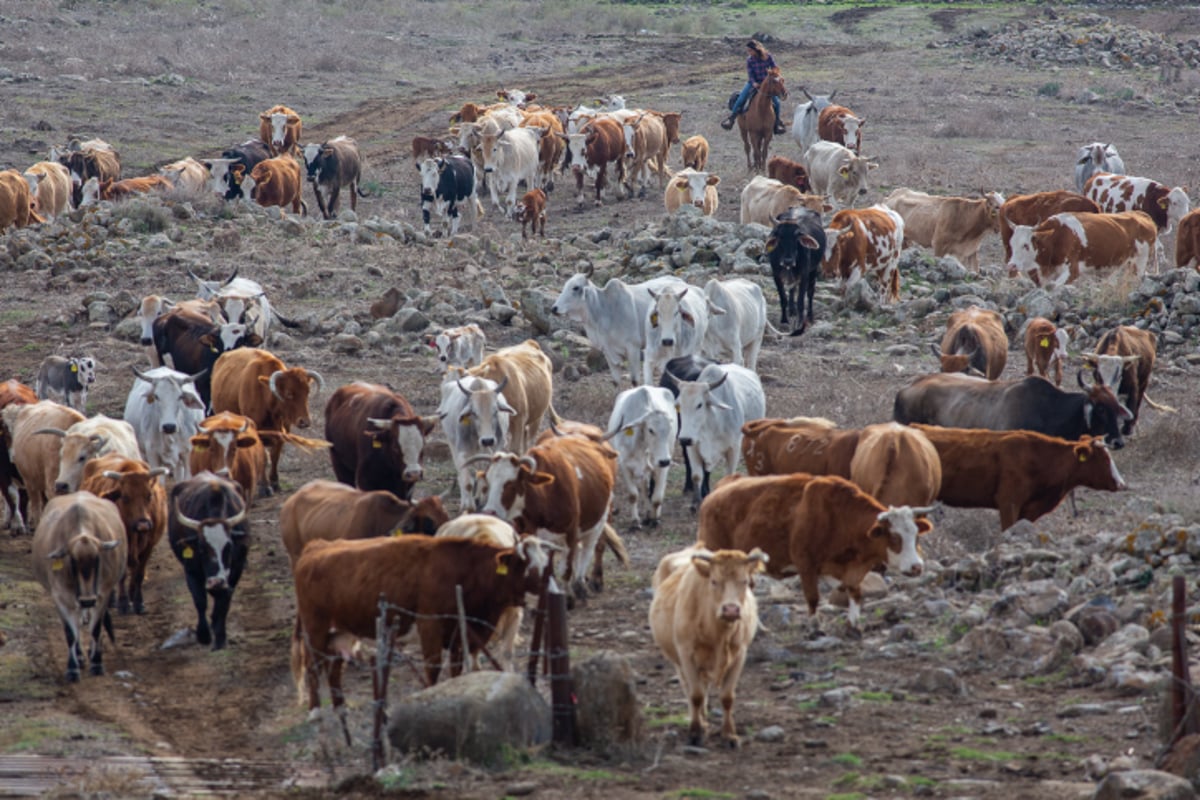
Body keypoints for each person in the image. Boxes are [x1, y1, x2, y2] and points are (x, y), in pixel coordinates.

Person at [722, 40, 787, 135]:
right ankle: (731, 119)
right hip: (754, 83)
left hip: (768, 84)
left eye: (750, 50)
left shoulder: (768, 57)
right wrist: (754, 83)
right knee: (741, 98)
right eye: (748, 51)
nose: (749, 53)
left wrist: (775, 75)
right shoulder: (750, 60)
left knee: (777, 102)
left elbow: (775, 68)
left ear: (756, 50)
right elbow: (750, 74)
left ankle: (777, 123)